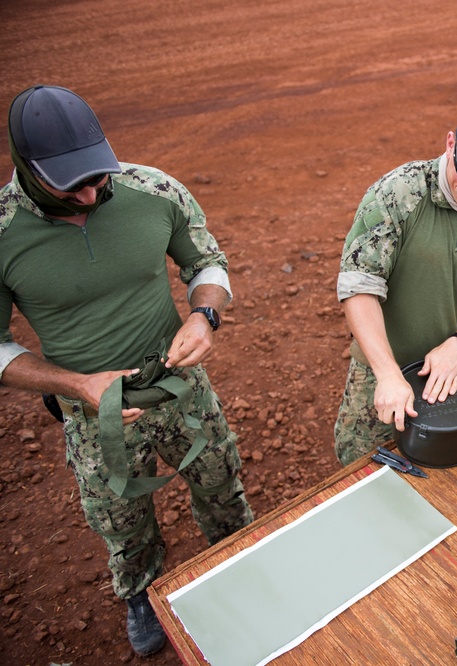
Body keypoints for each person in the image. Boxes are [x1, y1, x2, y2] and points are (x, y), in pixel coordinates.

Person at [0, 85, 254, 656]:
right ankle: (141, 590)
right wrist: (75, 385)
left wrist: (205, 314)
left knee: (219, 481)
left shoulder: (152, 190)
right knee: (120, 514)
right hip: (93, 412)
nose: (93, 192)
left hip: (179, 388)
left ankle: (241, 554)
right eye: (73, 184)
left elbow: (205, 261)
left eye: (98, 175)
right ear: (27, 166)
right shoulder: (2, 232)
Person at [334, 101, 457, 465]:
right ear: (450, 145)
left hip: (456, 376)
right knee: (361, 465)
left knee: (451, 473)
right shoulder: (398, 193)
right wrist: (388, 374)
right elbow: (360, 285)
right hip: (381, 370)